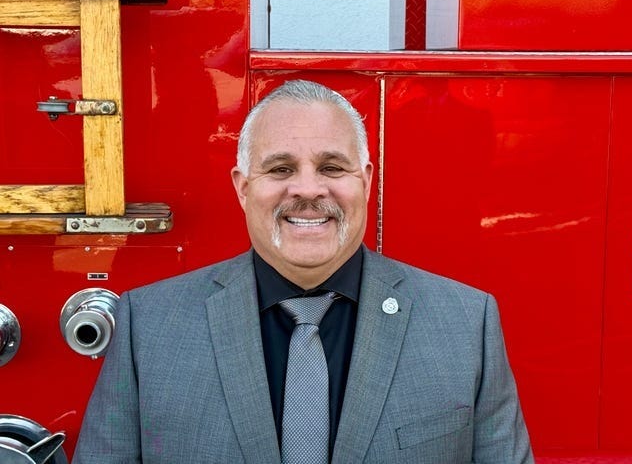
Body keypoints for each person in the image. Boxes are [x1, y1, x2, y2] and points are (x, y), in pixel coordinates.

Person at [72, 80, 533, 463]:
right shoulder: (149, 327)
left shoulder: (466, 325)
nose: (309, 189)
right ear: (243, 187)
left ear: (366, 181)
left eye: (332, 167)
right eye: (280, 168)